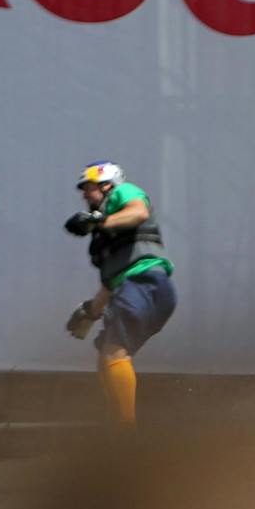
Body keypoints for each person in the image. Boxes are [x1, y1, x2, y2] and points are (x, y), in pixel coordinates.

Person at [64, 160, 176, 426]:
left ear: (106, 185)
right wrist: (91, 312)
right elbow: (112, 281)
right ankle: (118, 423)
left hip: (143, 284)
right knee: (108, 353)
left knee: (113, 353)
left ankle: (123, 433)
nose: (83, 194)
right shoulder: (108, 235)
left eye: (87, 188)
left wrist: (99, 220)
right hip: (149, 289)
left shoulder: (123, 192)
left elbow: (138, 212)